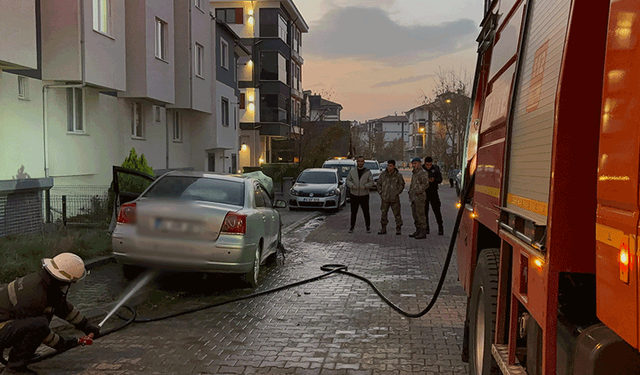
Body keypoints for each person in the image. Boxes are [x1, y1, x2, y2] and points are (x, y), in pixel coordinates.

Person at [0, 253, 100, 375]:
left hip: (6, 323)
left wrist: (87, 327)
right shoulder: (36, 295)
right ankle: (14, 369)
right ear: (67, 280)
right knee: (38, 325)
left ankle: (22, 357)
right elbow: (41, 331)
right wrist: (68, 343)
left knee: (38, 322)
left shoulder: (45, 283)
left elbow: (63, 308)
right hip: (3, 326)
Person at [346, 155, 374, 233]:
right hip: (354, 194)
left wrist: (365, 186)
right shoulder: (352, 171)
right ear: (357, 162)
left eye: (362, 161)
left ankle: (368, 227)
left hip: (364, 195)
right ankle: (352, 227)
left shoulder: (367, 172)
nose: (360, 163)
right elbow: (348, 180)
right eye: (359, 161)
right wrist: (351, 186)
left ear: (364, 162)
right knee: (353, 212)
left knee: (366, 212)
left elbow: (371, 182)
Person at [377, 159, 405, 235]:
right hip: (385, 198)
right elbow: (379, 184)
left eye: (391, 166)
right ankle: (383, 228)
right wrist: (381, 192)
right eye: (388, 166)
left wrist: (397, 192)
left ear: (394, 166)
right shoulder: (383, 175)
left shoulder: (398, 175)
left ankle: (398, 228)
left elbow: (402, 184)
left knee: (397, 214)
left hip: (394, 198)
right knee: (383, 214)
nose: (389, 167)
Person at [408, 157, 430, 239]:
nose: (414, 165)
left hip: (420, 197)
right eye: (413, 163)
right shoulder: (415, 173)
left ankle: (423, 231)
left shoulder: (422, 173)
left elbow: (425, 184)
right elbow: (412, 184)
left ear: (420, 164)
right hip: (414, 197)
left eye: (416, 163)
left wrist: (418, 191)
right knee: (415, 214)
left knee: (420, 214)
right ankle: (418, 229)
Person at [423, 156, 444, 235]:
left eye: (430, 165)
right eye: (427, 165)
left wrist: (434, 180)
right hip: (424, 193)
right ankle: (426, 228)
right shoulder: (422, 170)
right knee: (425, 212)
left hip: (433, 192)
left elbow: (440, 180)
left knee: (437, 211)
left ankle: (440, 228)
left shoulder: (435, 169)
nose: (428, 166)